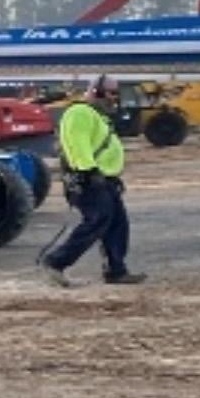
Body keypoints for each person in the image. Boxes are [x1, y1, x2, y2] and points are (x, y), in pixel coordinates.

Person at [38, 74, 147, 286]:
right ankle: (55, 262)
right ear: (96, 92)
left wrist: (109, 175)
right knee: (97, 222)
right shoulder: (80, 113)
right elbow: (78, 145)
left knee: (117, 225)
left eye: (116, 93)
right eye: (110, 93)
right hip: (88, 180)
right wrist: (89, 172)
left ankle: (116, 270)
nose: (114, 98)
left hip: (104, 179)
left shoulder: (98, 116)